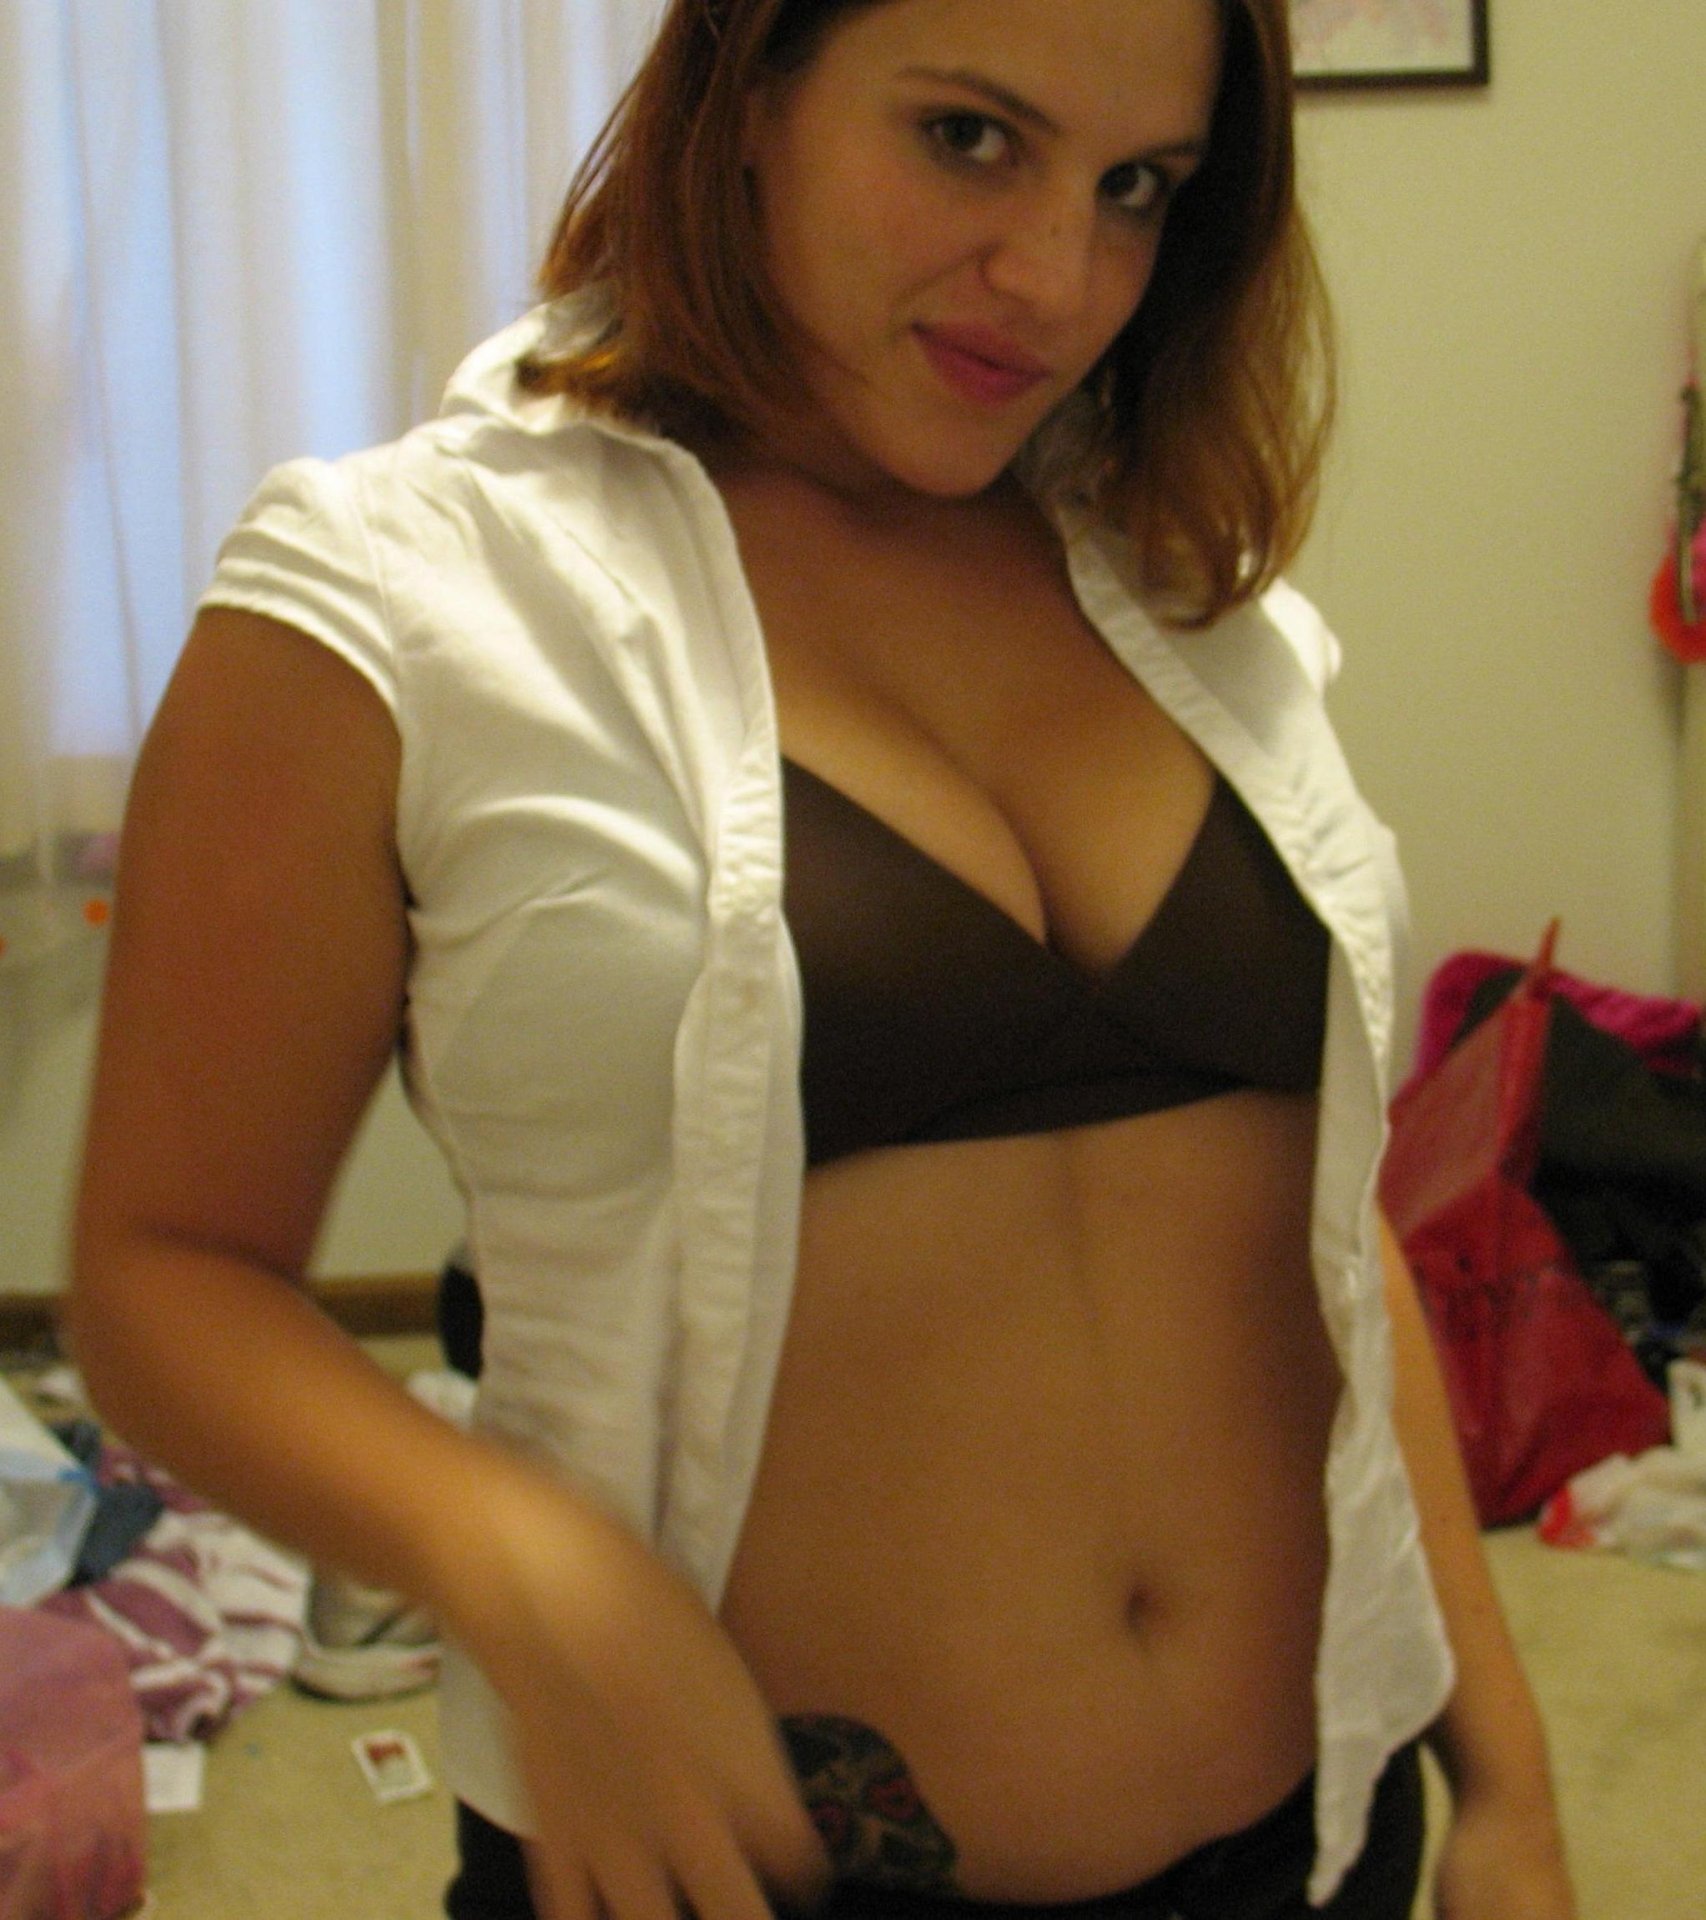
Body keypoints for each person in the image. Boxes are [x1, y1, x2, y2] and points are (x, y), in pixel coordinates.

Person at [68, 3, 1578, 1917]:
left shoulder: (1176, 581)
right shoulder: (397, 592)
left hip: (1312, 1842)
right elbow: (161, 1277)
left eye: (1135, 187)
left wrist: (1501, 1774)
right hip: (734, 1871)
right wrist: (513, 1558)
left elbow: (1323, 1234)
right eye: (967, 137)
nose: (1055, 277)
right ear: (749, 87)